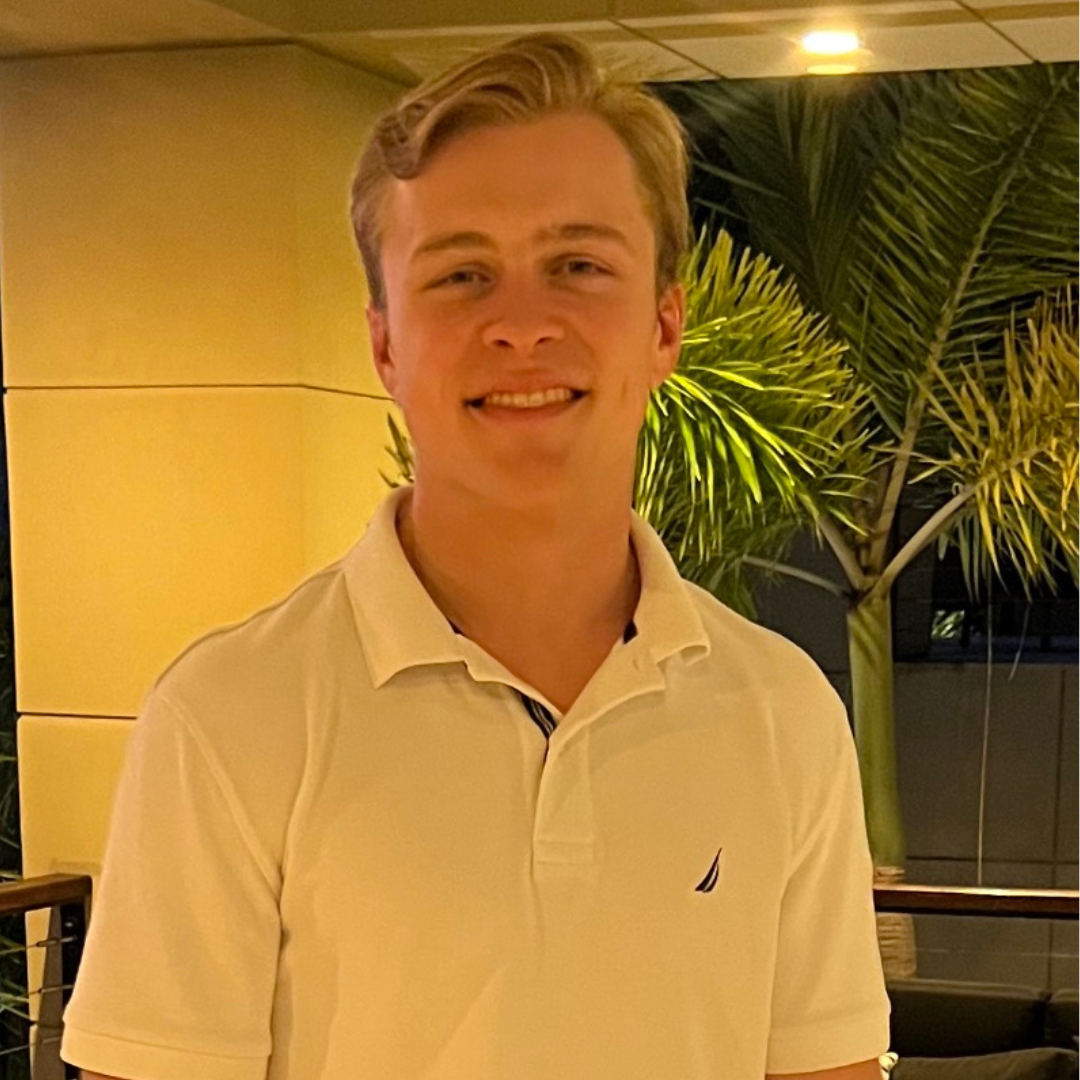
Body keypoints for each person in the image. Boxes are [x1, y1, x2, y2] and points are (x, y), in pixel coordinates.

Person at [60, 32, 891, 1080]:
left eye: (578, 265)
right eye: (461, 274)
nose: (522, 323)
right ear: (386, 346)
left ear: (664, 326)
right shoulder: (229, 717)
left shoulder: (786, 718)